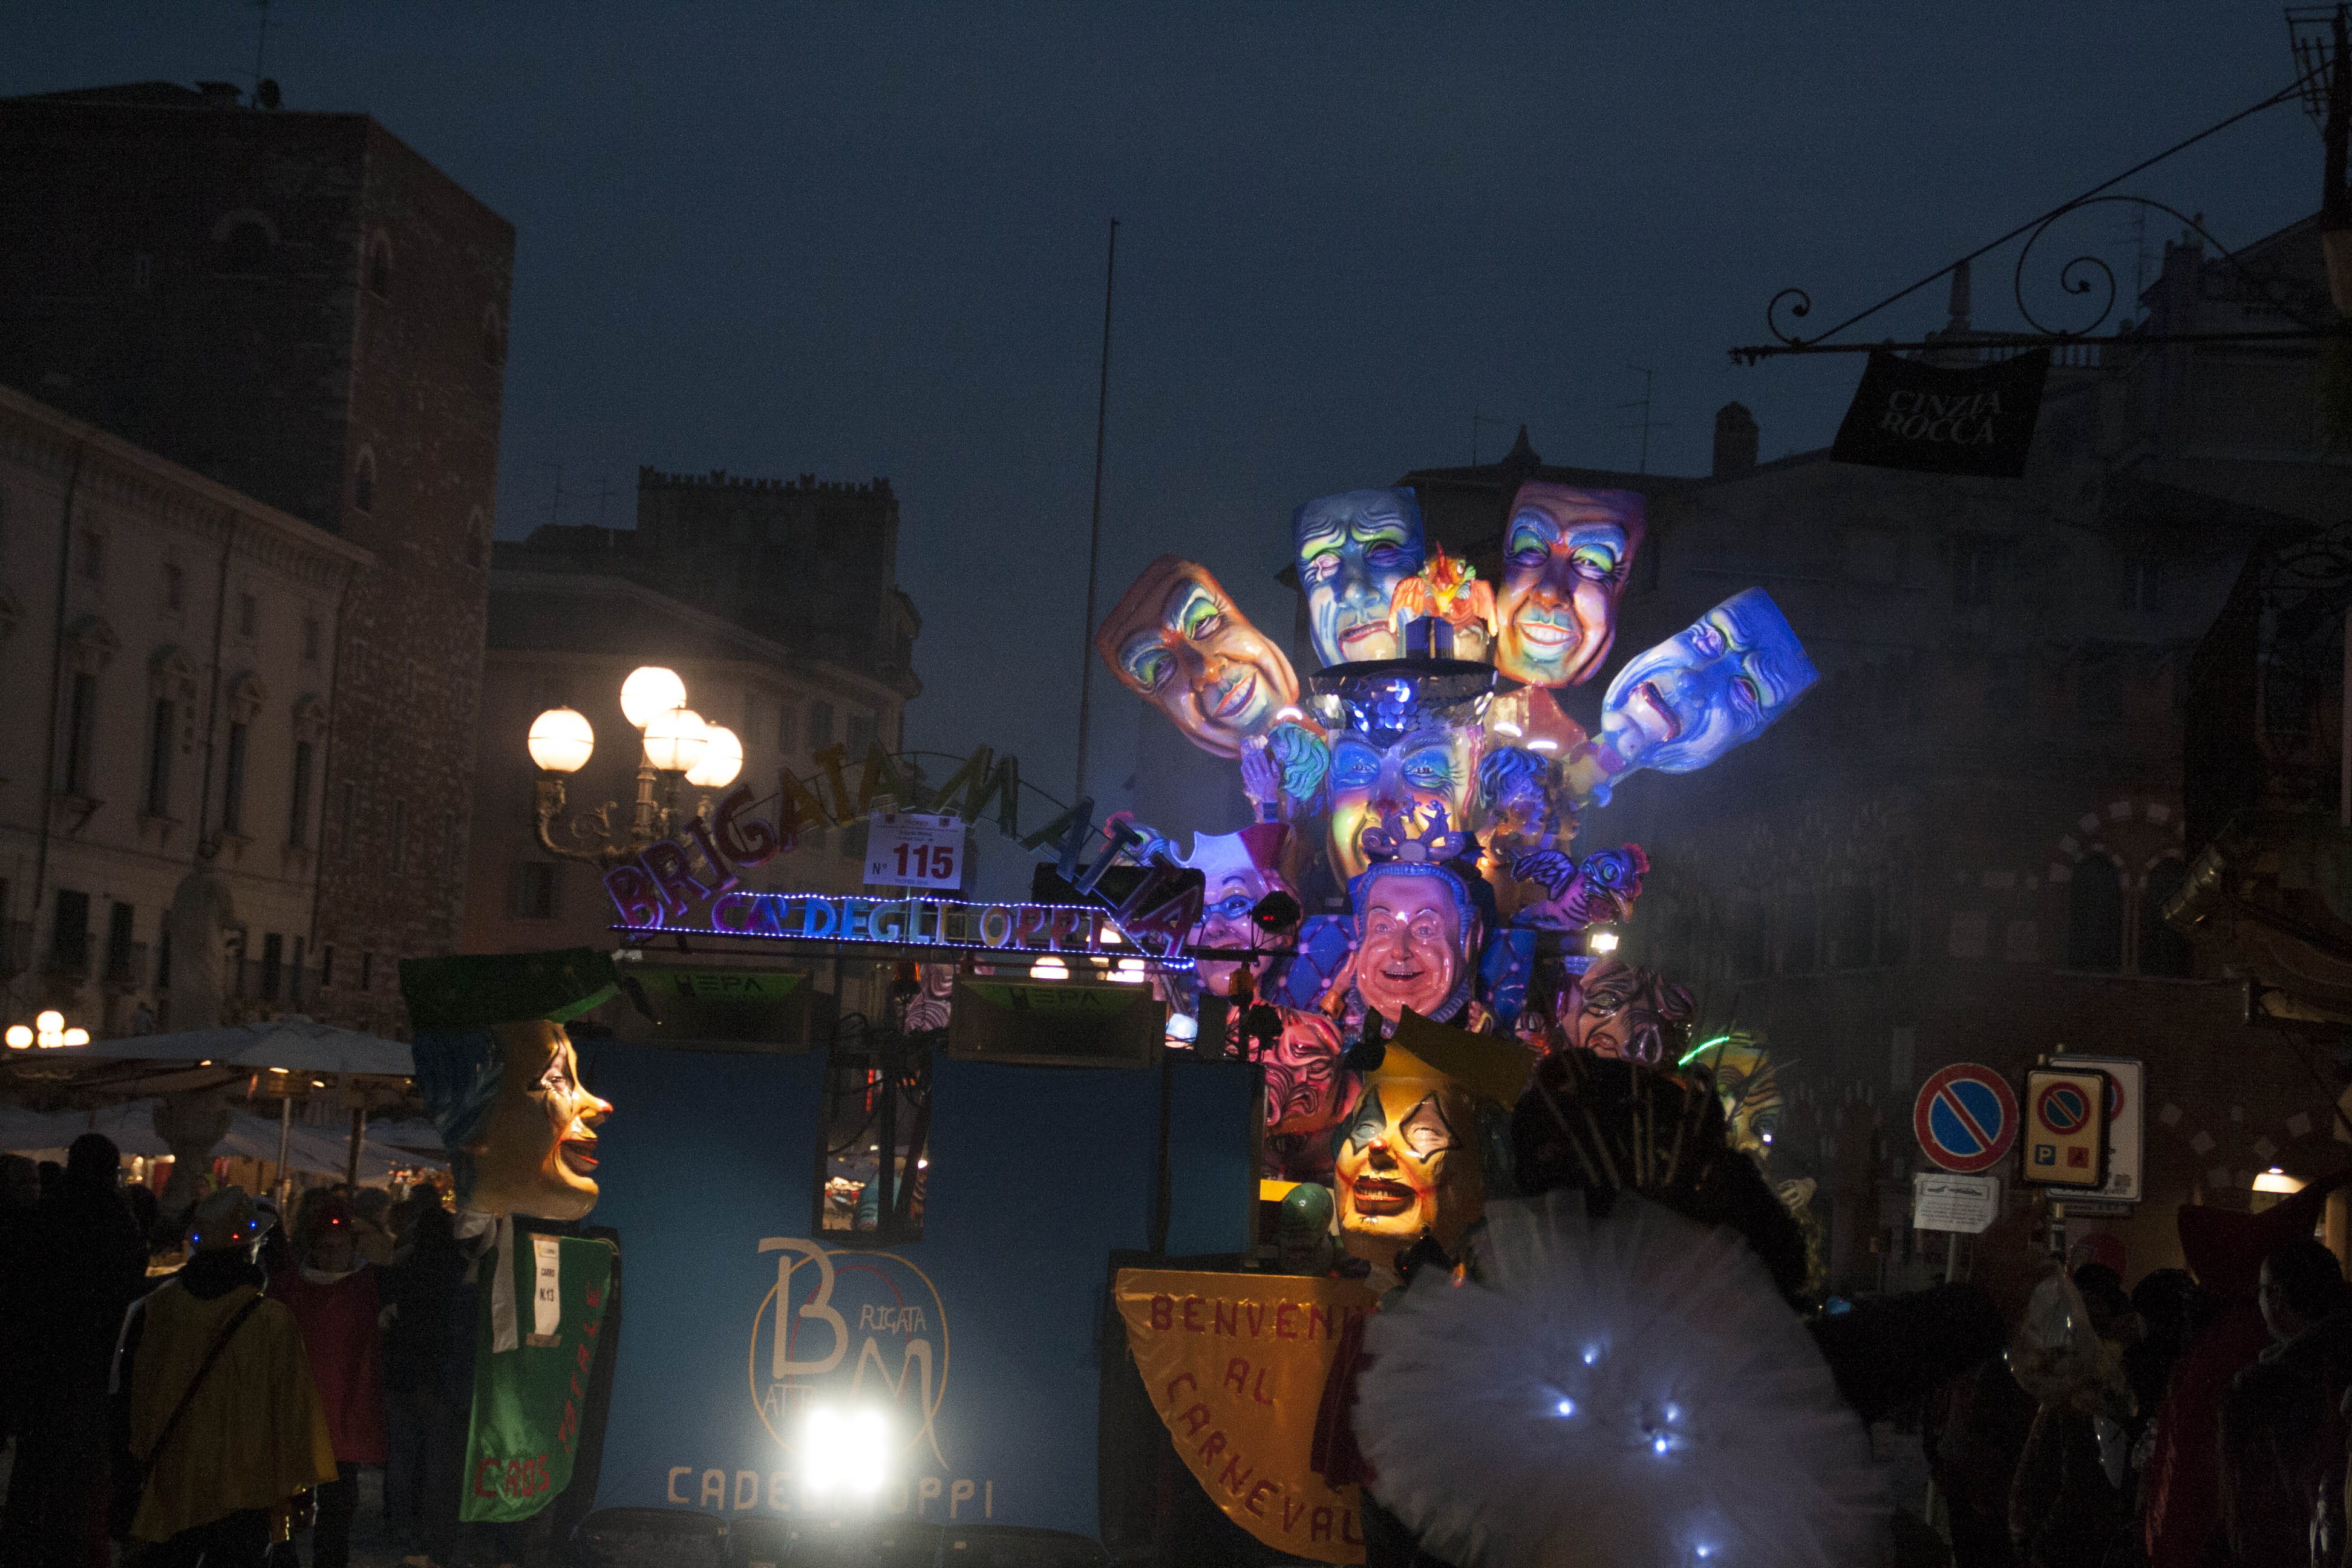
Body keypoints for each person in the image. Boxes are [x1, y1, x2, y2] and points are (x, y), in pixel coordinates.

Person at [116, 1186, 336, 1567]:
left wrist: (126, 1479)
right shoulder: (271, 1321)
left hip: (169, 1484)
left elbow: (127, 1399)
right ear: (251, 1248)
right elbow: (294, 1414)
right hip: (246, 1490)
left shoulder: (156, 1310)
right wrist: (304, 1495)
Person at [0, 1134, 148, 1568]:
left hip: (42, 1354)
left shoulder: (47, 1211)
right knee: (79, 1467)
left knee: (36, 1456)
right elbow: (127, 1281)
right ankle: (64, 1544)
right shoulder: (112, 1216)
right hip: (92, 1359)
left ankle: (23, 1541)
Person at [2217, 1238, 2352, 1565]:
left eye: (2261, 1290)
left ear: (2277, 1295)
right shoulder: (2339, 1359)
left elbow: (2255, 1503)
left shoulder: (2267, 1386)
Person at [268, 1195, 387, 1568]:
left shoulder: (373, 1286)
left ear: (353, 1245)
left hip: (345, 1418)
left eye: (341, 1245)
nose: (333, 1253)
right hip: (296, 1418)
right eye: (326, 1246)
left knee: (337, 1511)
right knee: (283, 1510)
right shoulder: (285, 1288)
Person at [379, 1204, 475, 1568]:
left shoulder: (403, 1268)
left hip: (401, 1378)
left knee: (402, 1458)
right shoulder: (455, 1273)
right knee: (437, 1463)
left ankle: (400, 1525)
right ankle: (430, 1531)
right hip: (440, 1383)